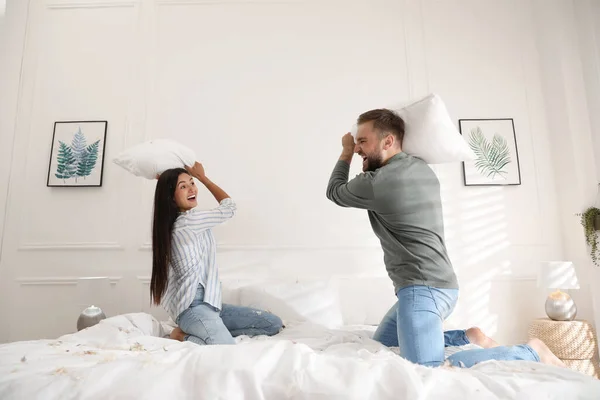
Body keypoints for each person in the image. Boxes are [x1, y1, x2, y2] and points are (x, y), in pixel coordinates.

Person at [325, 109, 565, 368]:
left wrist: (346, 152)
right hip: (442, 286)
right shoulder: (419, 167)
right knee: (382, 345)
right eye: (356, 143)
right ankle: (467, 337)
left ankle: (531, 352)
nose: (358, 147)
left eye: (362, 141)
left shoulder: (379, 181)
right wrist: (367, 157)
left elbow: (334, 191)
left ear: (388, 141)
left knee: (426, 368)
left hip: (421, 290)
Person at [151, 163, 283, 345]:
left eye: (192, 182)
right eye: (183, 186)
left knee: (272, 324)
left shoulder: (185, 222)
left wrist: (168, 182)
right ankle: (181, 335)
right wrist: (203, 178)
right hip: (193, 308)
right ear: (171, 198)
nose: (192, 189)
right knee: (224, 348)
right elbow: (229, 207)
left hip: (211, 303)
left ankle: (212, 329)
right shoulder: (190, 222)